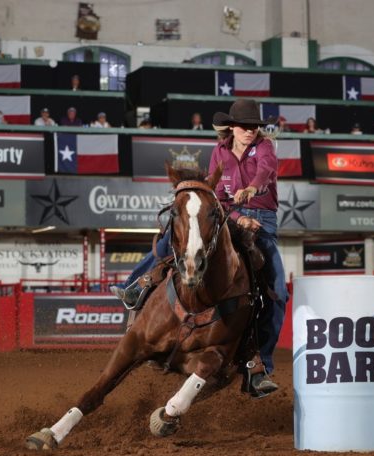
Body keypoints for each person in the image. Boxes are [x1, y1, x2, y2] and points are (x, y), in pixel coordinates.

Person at [110, 98, 286, 397]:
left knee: (278, 292)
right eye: (245, 126)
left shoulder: (264, 147)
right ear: (232, 126)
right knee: (174, 236)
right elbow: (217, 196)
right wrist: (238, 216)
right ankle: (135, 286)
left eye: (255, 126)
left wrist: (252, 189)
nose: (251, 131)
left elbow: (266, 170)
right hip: (229, 215)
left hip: (263, 222)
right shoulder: (220, 151)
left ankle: (259, 366)